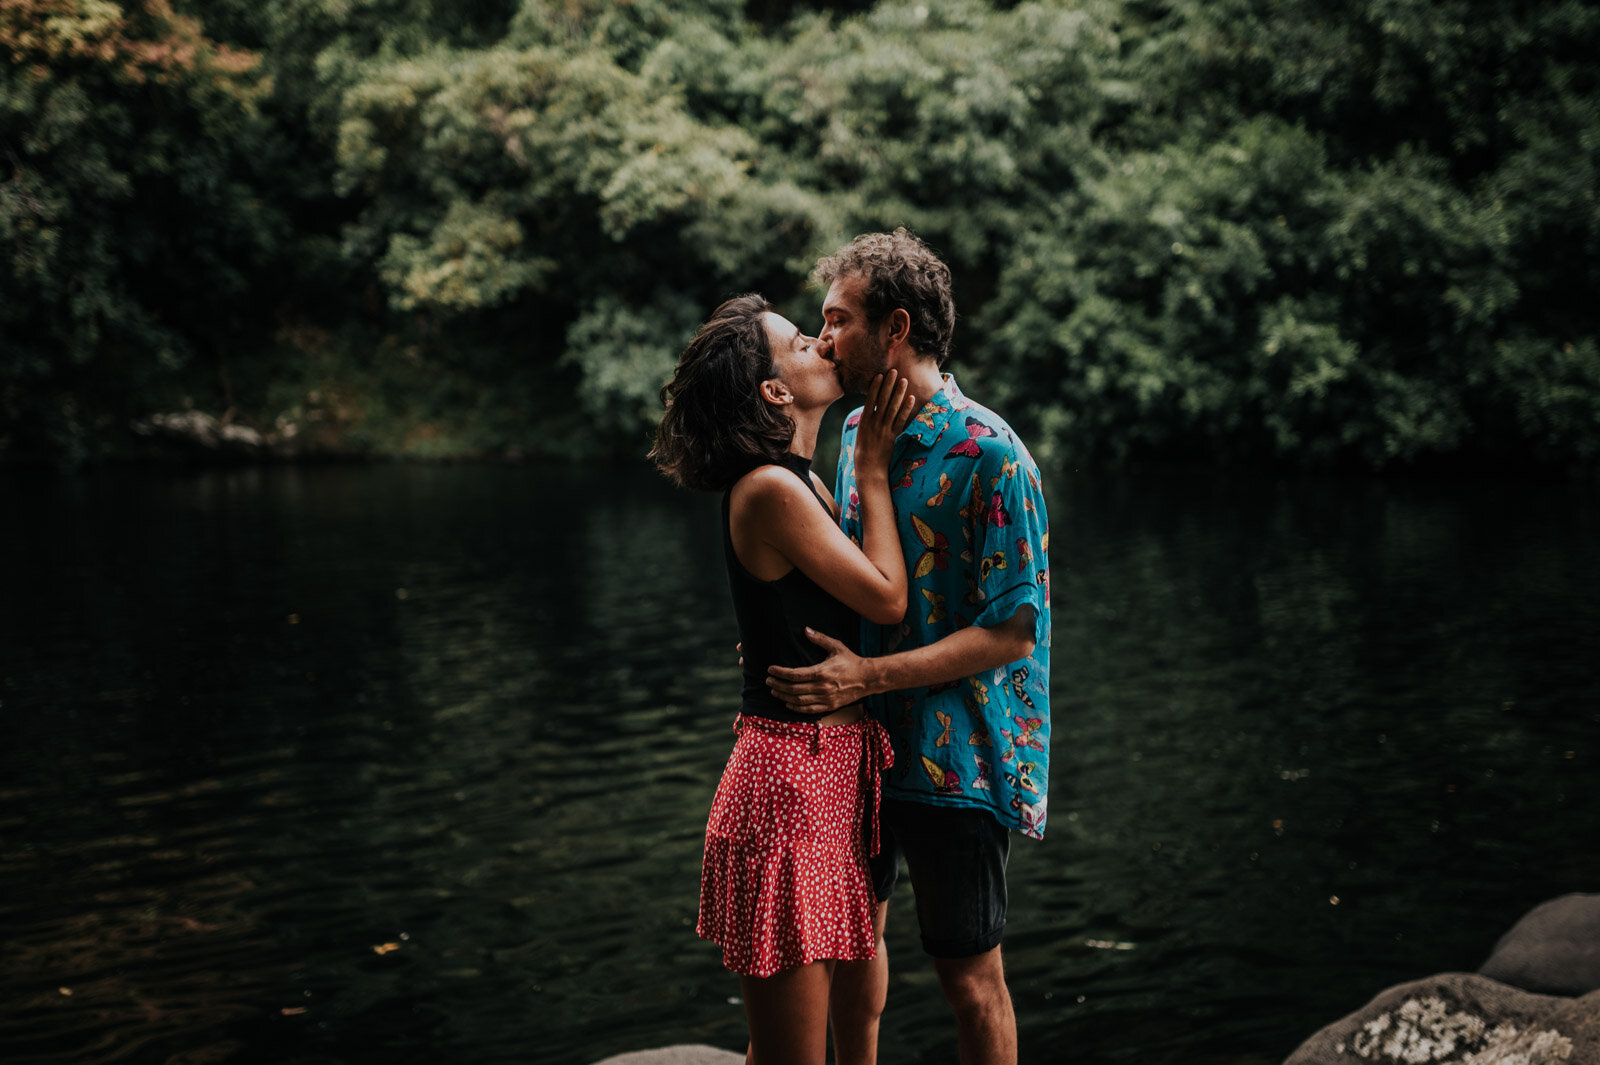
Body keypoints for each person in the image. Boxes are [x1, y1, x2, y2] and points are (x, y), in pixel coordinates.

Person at [766, 230, 1052, 1065]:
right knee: (855, 951)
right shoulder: (858, 436)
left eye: (838, 320)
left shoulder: (994, 454)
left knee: (970, 979)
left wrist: (869, 673)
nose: (823, 340)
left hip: (958, 760)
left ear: (895, 328)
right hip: (859, 748)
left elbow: (1010, 632)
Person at [649, 293, 920, 1065]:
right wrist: (870, 466)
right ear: (774, 389)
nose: (824, 344)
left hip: (838, 777)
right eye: (803, 341)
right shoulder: (770, 488)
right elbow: (888, 597)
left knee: (859, 1009)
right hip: (788, 790)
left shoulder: (801, 482)